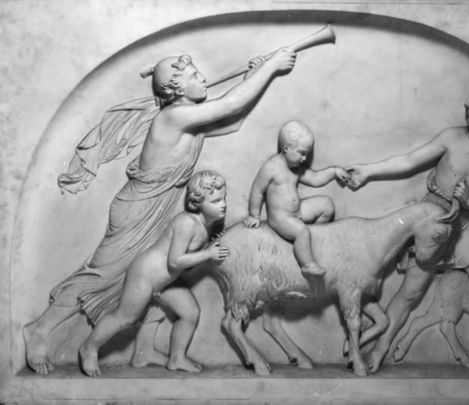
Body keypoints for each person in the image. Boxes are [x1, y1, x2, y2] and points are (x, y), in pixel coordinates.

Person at [23, 49, 296, 374]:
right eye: (195, 76)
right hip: (139, 209)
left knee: (156, 277)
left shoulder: (191, 120)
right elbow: (229, 104)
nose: (203, 79)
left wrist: (253, 76)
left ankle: (145, 349)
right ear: (177, 89)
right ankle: (39, 330)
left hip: (161, 206)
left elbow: (233, 120)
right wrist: (271, 67)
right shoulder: (172, 118)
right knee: (103, 276)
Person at [347, 75, 469, 375]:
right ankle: (380, 349)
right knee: (410, 295)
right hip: (433, 221)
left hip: (466, 226)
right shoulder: (451, 138)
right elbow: (409, 160)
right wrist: (368, 171)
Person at [79, 170, 229, 376]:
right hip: (145, 276)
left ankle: (176, 358)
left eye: (224, 198)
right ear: (197, 203)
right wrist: (208, 254)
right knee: (125, 317)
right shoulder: (187, 223)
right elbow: (174, 261)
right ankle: (89, 348)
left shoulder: (206, 227)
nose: (223, 204)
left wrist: (210, 247)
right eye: (216, 201)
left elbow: (185, 264)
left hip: (167, 281)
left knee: (190, 313)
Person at [243, 120, 348, 279]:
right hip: (281, 218)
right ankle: (307, 265)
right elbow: (258, 191)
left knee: (326, 205)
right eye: (302, 153)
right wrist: (254, 215)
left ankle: (315, 237)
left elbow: (315, 178)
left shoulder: (296, 168)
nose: (304, 159)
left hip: (297, 212)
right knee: (301, 231)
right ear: (286, 148)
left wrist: (333, 172)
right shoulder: (271, 167)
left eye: (307, 154)